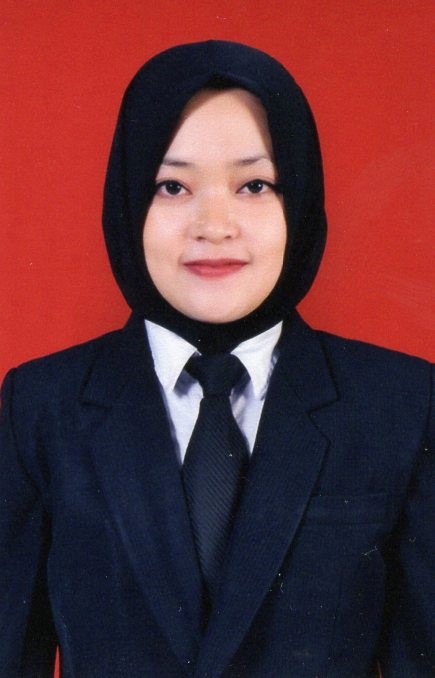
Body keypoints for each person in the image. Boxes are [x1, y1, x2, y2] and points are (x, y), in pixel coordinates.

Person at [0, 40, 433, 678]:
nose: (214, 224)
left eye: (254, 185)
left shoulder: (403, 403)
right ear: (128, 201)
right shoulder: (40, 405)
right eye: (172, 186)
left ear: (299, 199)